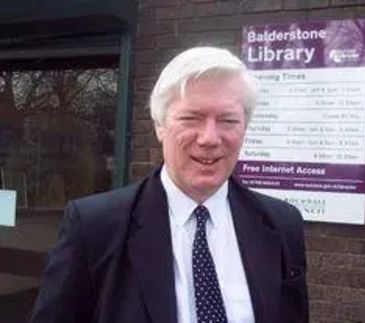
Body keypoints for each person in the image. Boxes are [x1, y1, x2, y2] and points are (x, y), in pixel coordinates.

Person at [30, 47, 309, 323]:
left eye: (228, 120)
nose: (210, 138)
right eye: (191, 118)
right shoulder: (95, 227)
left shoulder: (282, 224)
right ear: (160, 126)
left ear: (244, 128)